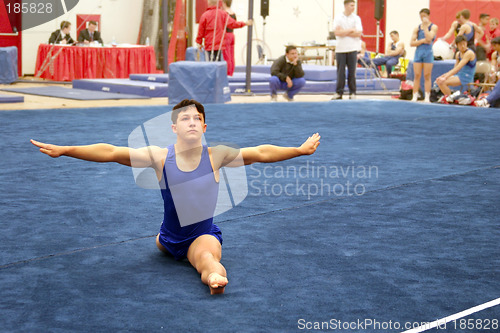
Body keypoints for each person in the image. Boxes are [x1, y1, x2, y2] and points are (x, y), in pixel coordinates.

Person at [30, 99, 321, 295]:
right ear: (174, 127)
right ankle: (172, 245)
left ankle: (214, 278)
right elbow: (111, 152)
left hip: (201, 235)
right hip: (167, 238)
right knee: (163, 241)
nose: (192, 122)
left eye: (198, 119)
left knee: (205, 257)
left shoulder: (216, 156)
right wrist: (66, 149)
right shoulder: (159, 156)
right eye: (185, 118)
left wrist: (298, 150)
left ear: (204, 128)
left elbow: (260, 152)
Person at [331, 0, 363, 100]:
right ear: (345, 5)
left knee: (352, 72)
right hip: (341, 49)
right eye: (351, 5)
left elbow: (358, 33)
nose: (353, 7)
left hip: (353, 48)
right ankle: (339, 92)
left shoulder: (356, 18)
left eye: (354, 6)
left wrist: (343, 32)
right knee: (340, 72)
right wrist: (350, 30)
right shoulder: (338, 17)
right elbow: (336, 32)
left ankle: (352, 92)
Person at [410, 8, 438, 102]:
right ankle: (414, 96)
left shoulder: (433, 27)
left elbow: (429, 38)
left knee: (427, 75)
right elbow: (411, 43)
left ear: (429, 16)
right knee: (417, 75)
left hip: (428, 53)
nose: (422, 18)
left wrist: (425, 27)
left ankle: (427, 96)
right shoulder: (417, 28)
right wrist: (422, 41)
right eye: (421, 16)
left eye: (424, 16)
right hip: (418, 53)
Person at [222, 0, 237, 76]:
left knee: (226, 55)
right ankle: (231, 72)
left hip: (226, 35)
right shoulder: (233, 13)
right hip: (232, 34)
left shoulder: (225, 13)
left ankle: (228, 72)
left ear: (224, 3)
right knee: (231, 54)